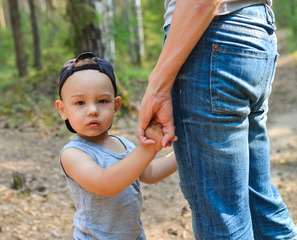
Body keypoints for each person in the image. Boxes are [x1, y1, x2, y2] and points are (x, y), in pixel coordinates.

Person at [137, 0, 297, 239]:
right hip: (256, 32)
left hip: (210, 39)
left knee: (222, 220)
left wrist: (157, 86)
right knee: (260, 206)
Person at [55, 52, 177, 239]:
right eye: (80, 102)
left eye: (102, 101)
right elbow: (106, 184)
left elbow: (149, 172)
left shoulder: (123, 143)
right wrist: (148, 148)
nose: (93, 111)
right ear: (63, 110)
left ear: (116, 106)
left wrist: (182, 154)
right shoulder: (73, 154)